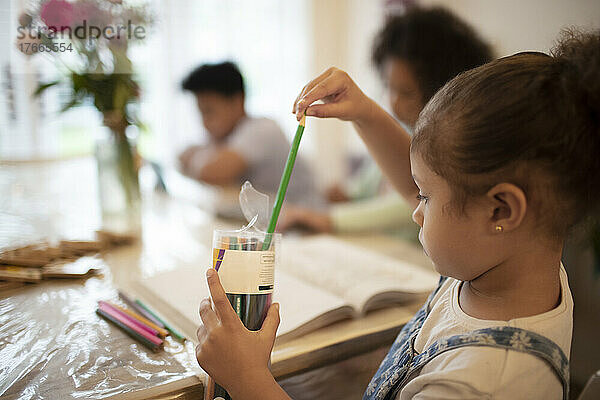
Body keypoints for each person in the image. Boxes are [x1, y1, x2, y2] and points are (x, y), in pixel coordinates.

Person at [194, 29, 600, 399]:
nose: (415, 211)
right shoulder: (507, 262)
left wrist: (248, 379)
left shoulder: (484, 384)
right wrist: (365, 113)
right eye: (418, 194)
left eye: (425, 197)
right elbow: (438, 192)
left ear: (501, 209)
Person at [281, 7, 493, 234]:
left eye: (406, 93)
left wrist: (332, 219)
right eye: (389, 88)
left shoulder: (452, 149)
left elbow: (415, 198)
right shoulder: (397, 130)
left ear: (443, 90)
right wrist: (341, 194)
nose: (394, 104)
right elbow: (362, 189)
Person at [178, 61, 316, 204]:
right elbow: (182, 155)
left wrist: (200, 159)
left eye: (209, 112)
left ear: (237, 101)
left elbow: (211, 173)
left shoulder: (262, 129)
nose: (204, 123)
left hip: (307, 219)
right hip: (273, 220)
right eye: (200, 113)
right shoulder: (227, 134)